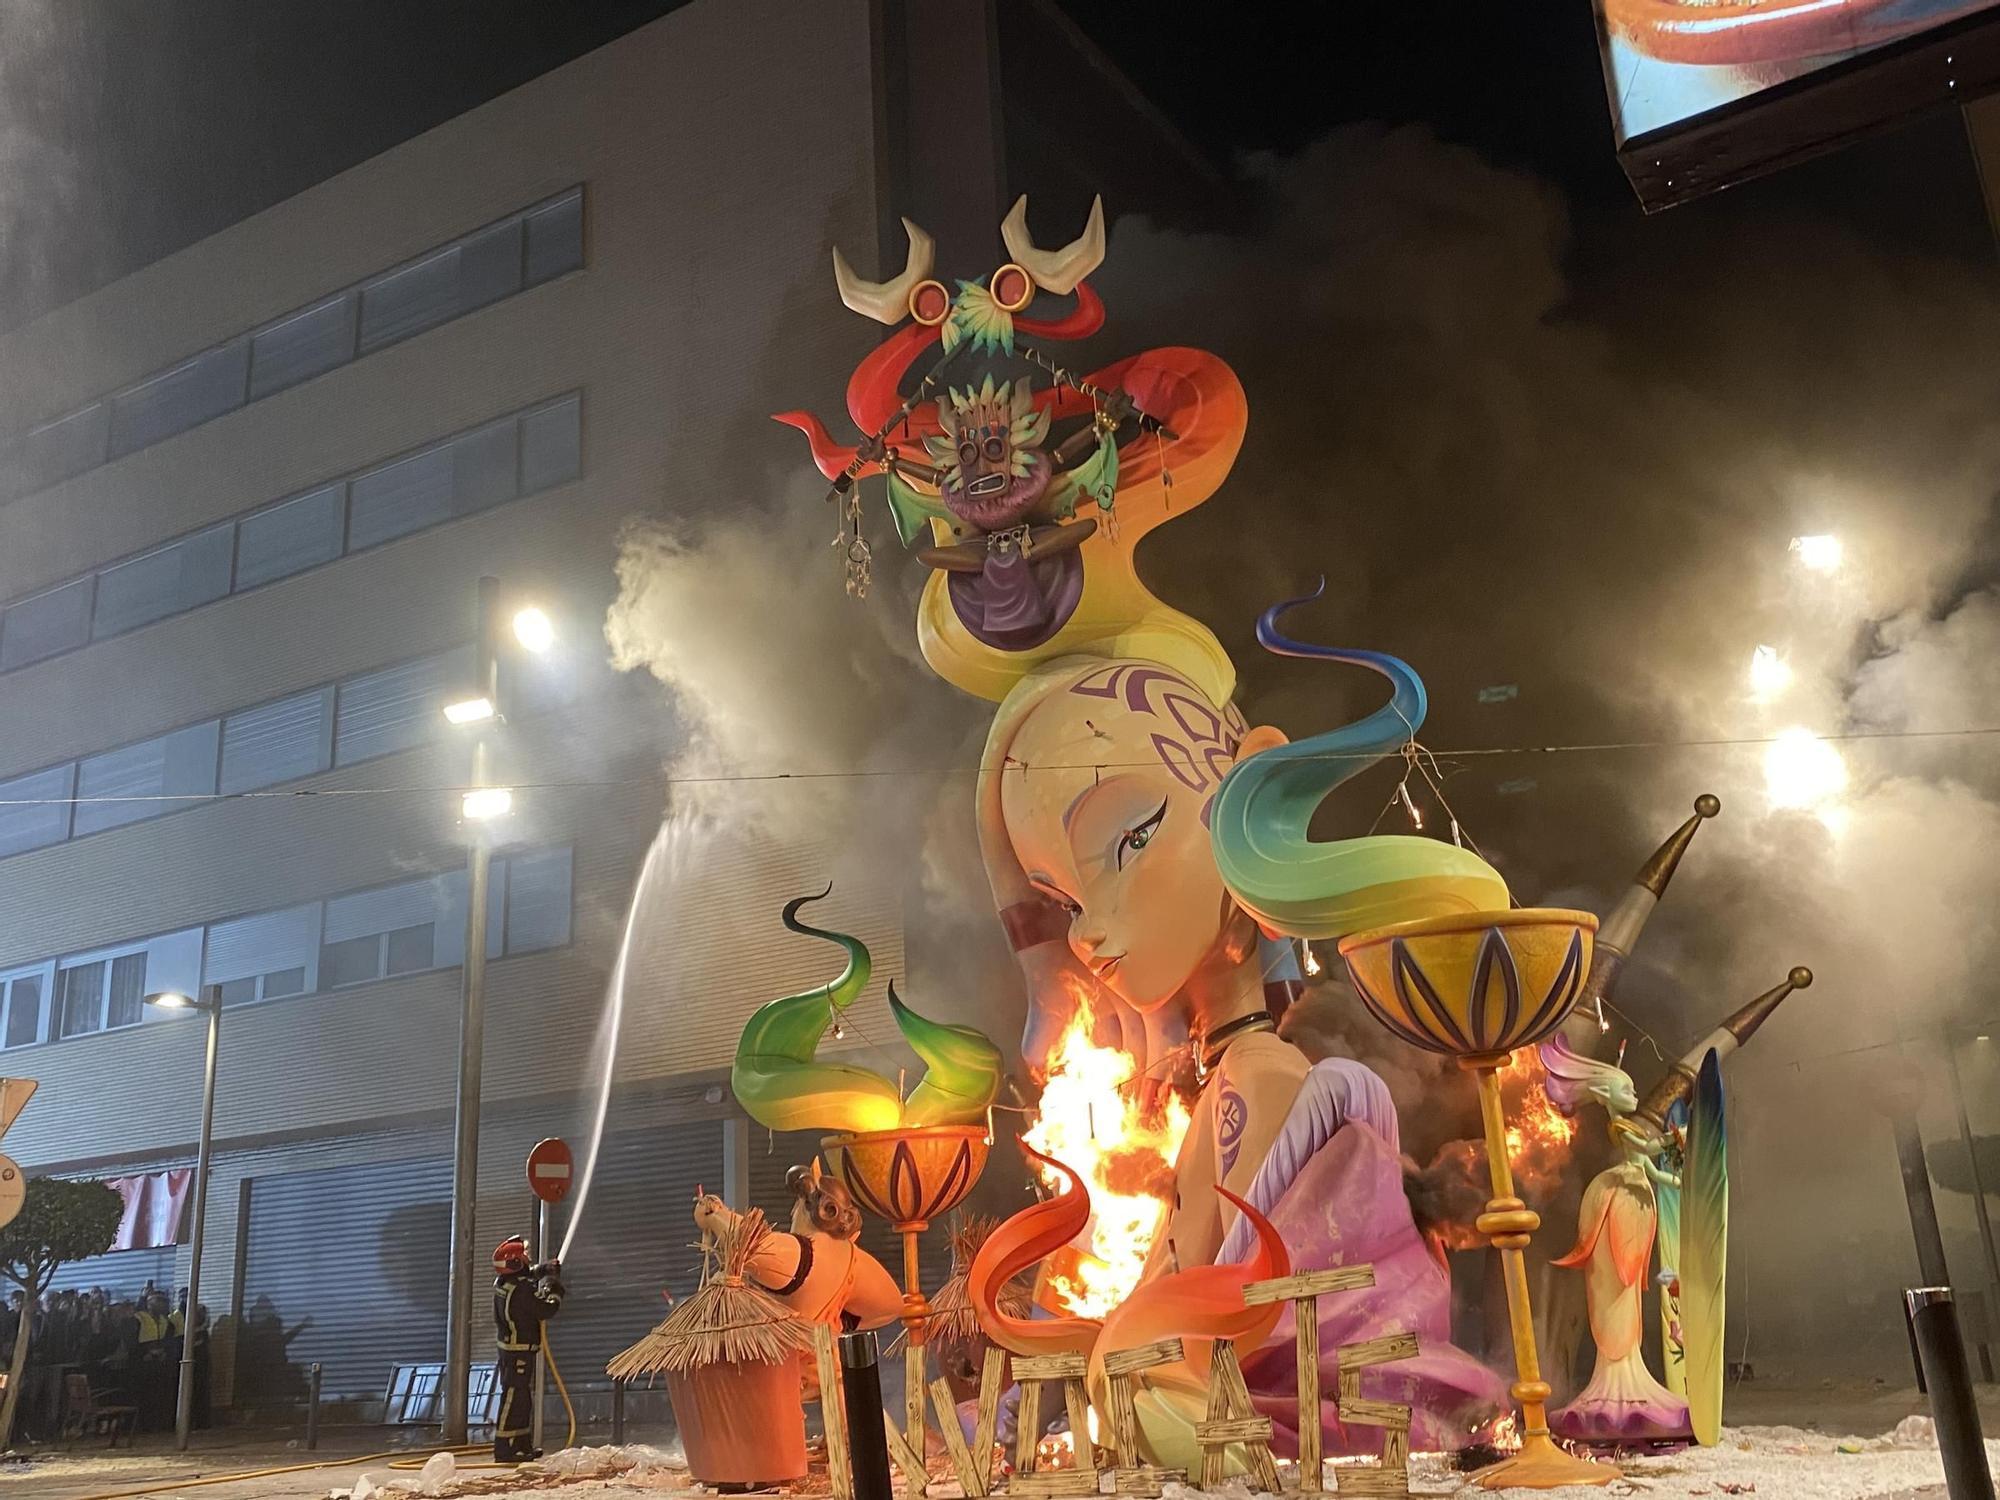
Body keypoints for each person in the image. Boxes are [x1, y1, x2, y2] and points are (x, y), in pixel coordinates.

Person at [490, 1237, 562, 1463]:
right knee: (513, 1398)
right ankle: (504, 1448)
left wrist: (543, 1270)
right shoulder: (520, 1290)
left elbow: (526, 1274)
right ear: (515, 1263)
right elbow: (544, 1309)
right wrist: (554, 1291)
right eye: (524, 1257)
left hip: (515, 1350)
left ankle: (521, 1446)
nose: (527, 1259)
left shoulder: (506, 1282)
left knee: (522, 1399)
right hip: (517, 1351)